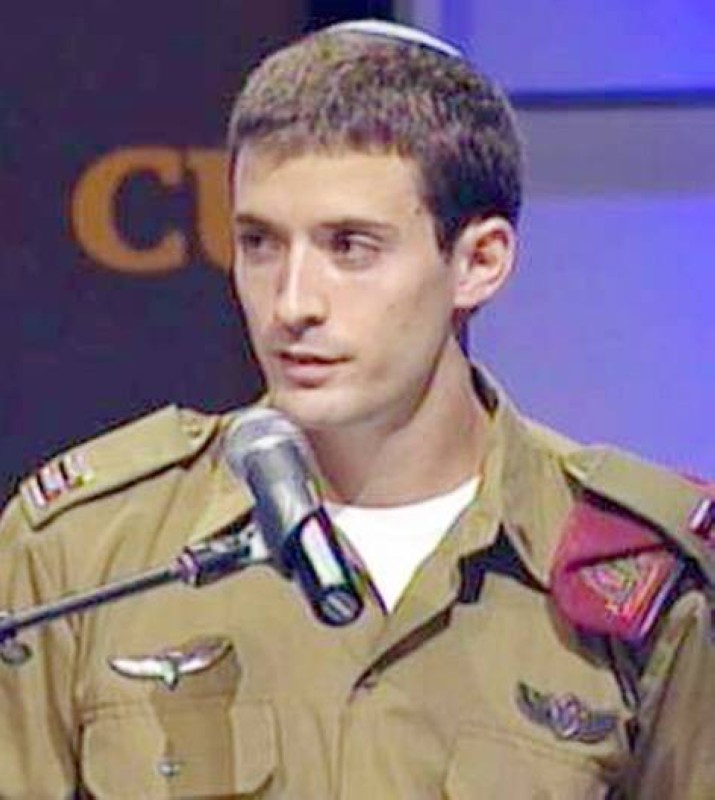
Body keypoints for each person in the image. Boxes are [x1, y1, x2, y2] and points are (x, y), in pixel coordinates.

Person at [0, 18, 712, 799]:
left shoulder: (639, 573)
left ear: (478, 262)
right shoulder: (87, 551)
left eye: (350, 247)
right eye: (260, 243)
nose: (291, 304)